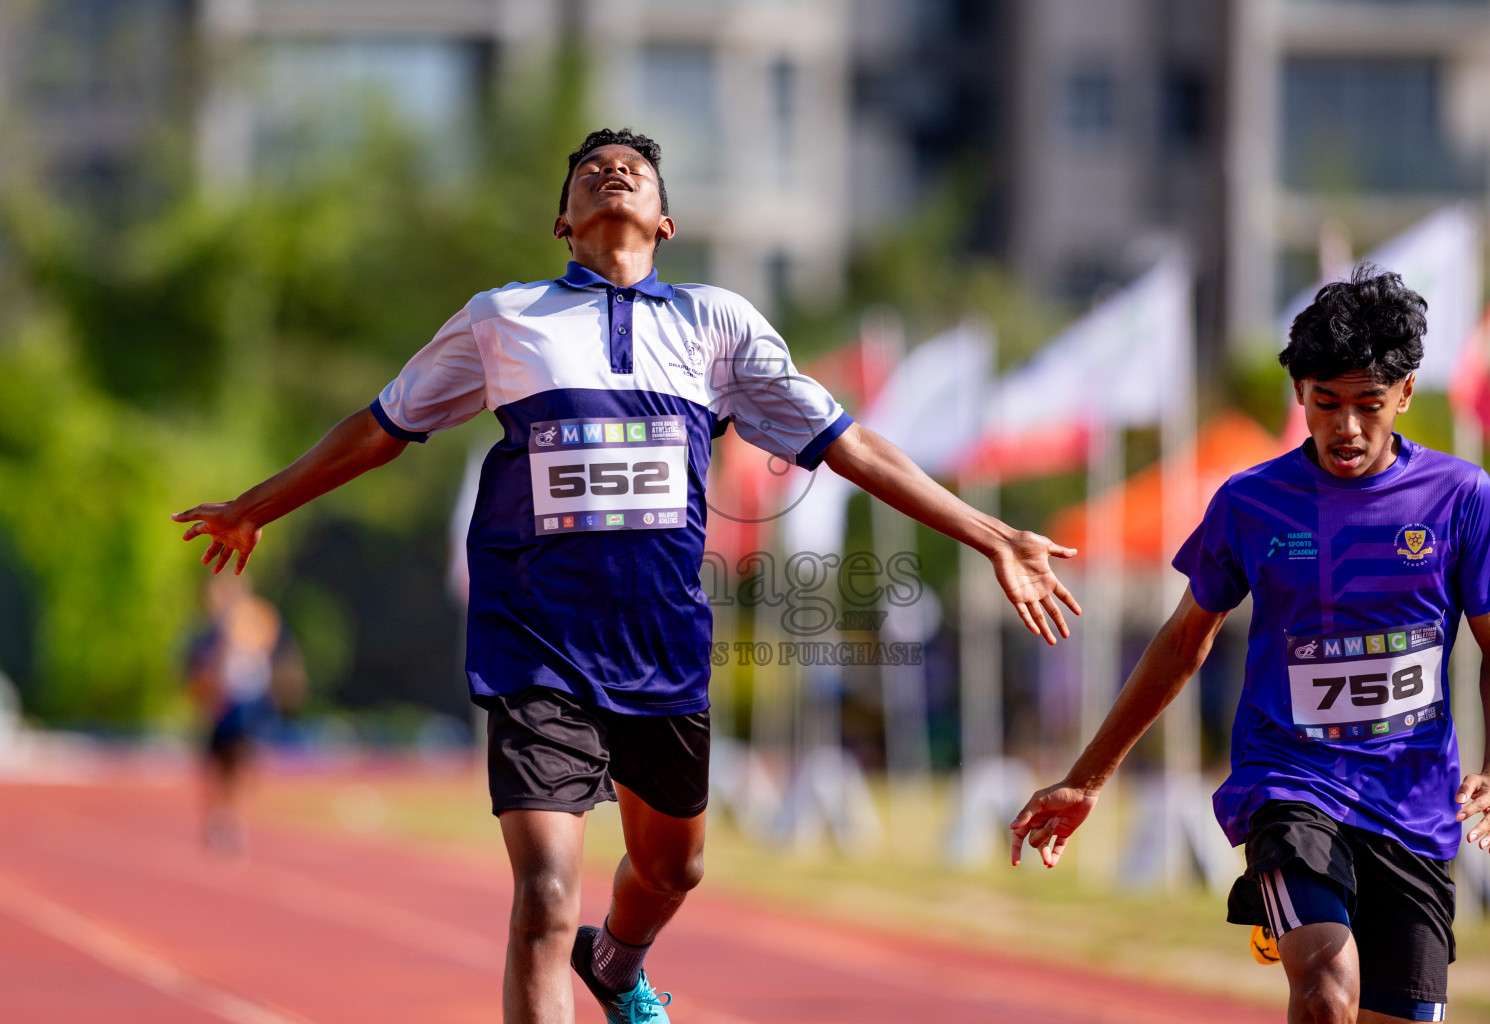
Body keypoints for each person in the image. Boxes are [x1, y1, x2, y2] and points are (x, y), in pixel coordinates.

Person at [173, 127, 1082, 1024]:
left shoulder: (716, 323)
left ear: (667, 220)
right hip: (535, 641)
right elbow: (382, 426)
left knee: (672, 869)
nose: (613, 175)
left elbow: (851, 445)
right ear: (562, 222)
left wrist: (992, 533)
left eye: (634, 171)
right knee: (543, 895)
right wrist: (258, 504)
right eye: (592, 172)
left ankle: (616, 963)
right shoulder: (504, 319)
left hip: (660, 641)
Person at [1013, 266, 1490, 1024]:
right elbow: (1183, 641)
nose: (1346, 428)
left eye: (1368, 405)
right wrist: (1088, 779)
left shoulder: (1462, 498)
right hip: (1289, 782)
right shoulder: (1251, 503)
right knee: (1326, 988)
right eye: (1326, 404)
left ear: (1408, 395)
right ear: (1301, 397)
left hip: (1413, 805)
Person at [185, 573, 307, 853]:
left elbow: (276, 653)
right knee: (216, 767)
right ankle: (219, 817)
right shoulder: (207, 634)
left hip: (248, 707)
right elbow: (196, 673)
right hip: (219, 708)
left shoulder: (257, 622)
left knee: (239, 763)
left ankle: (233, 817)